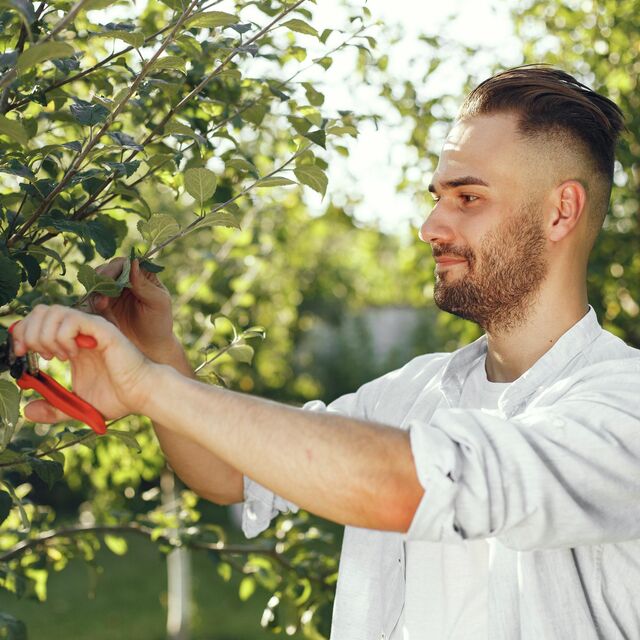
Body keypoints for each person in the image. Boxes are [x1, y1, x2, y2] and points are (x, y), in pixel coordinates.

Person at [11, 65, 640, 639]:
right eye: (436, 196)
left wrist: (152, 385)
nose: (430, 227)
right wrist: (159, 354)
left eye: (468, 198)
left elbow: (411, 485)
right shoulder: (411, 392)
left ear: (561, 211)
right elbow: (235, 472)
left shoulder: (621, 405)